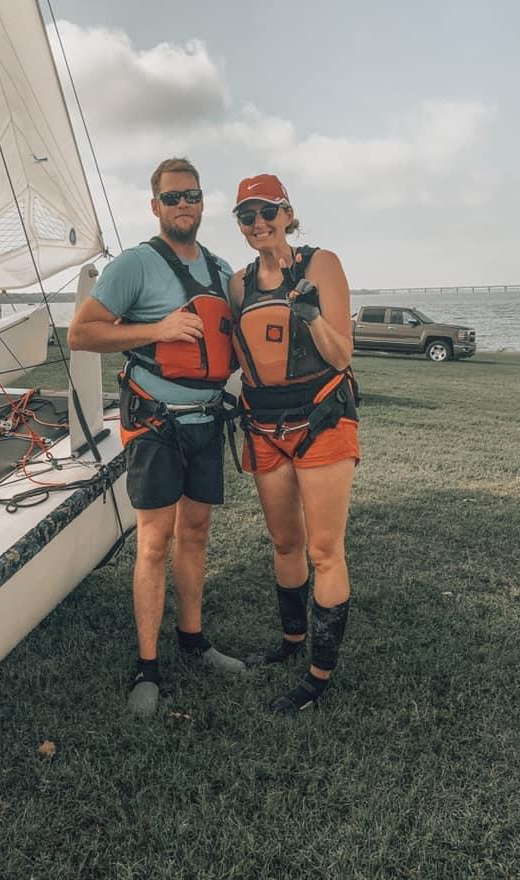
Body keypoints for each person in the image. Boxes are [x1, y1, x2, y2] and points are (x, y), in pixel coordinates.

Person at [67, 158, 245, 718]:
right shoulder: (134, 265)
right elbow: (82, 331)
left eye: (192, 195)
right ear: (155, 206)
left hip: (206, 423)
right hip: (154, 425)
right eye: (172, 197)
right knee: (153, 542)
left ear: (202, 202)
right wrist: (157, 329)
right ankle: (148, 665)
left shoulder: (220, 270)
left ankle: (193, 638)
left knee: (195, 534)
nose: (184, 205)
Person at [229, 174, 360, 714]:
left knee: (324, 550)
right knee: (285, 543)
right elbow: (240, 353)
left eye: (267, 211)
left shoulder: (319, 264)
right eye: (247, 215)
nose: (258, 222)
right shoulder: (237, 284)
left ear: (287, 212)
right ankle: (290, 642)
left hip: (321, 419)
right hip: (264, 425)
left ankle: (318, 678)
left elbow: (342, 355)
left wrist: (307, 312)